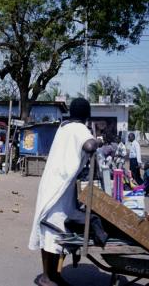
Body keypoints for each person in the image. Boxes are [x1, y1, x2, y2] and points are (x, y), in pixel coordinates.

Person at [29, 98, 97, 286]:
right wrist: (97, 141)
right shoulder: (80, 129)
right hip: (59, 189)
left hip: (53, 185)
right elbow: (89, 146)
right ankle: (47, 277)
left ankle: (53, 274)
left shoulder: (64, 127)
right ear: (86, 115)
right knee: (54, 231)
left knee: (54, 231)